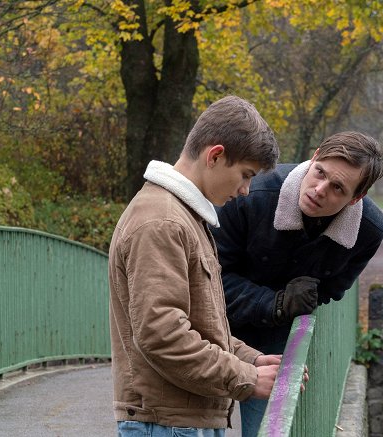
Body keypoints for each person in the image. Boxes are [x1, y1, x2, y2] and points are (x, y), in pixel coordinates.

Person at [108, 95, 286, 437]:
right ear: (215, 156)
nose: (247, 191)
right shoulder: (161, 221)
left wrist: (249, 359)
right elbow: (163, 335)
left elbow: (200, 325)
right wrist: (244, 378)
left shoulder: (185, 217)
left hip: (183, 421)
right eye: (245, 175)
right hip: (166, 425)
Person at [211, 131, 383, 436]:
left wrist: (287, 307)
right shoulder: (253, 194)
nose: (320, 190)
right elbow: (208, 279)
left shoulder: (368, 230)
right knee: (201, 426)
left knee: (268, 430)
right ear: (315, 156)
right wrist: (276, 303)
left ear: (356, 197)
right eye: (319, 173)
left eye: (337, 188)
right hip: (211, 326)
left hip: (276, 337)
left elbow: (332, 290)